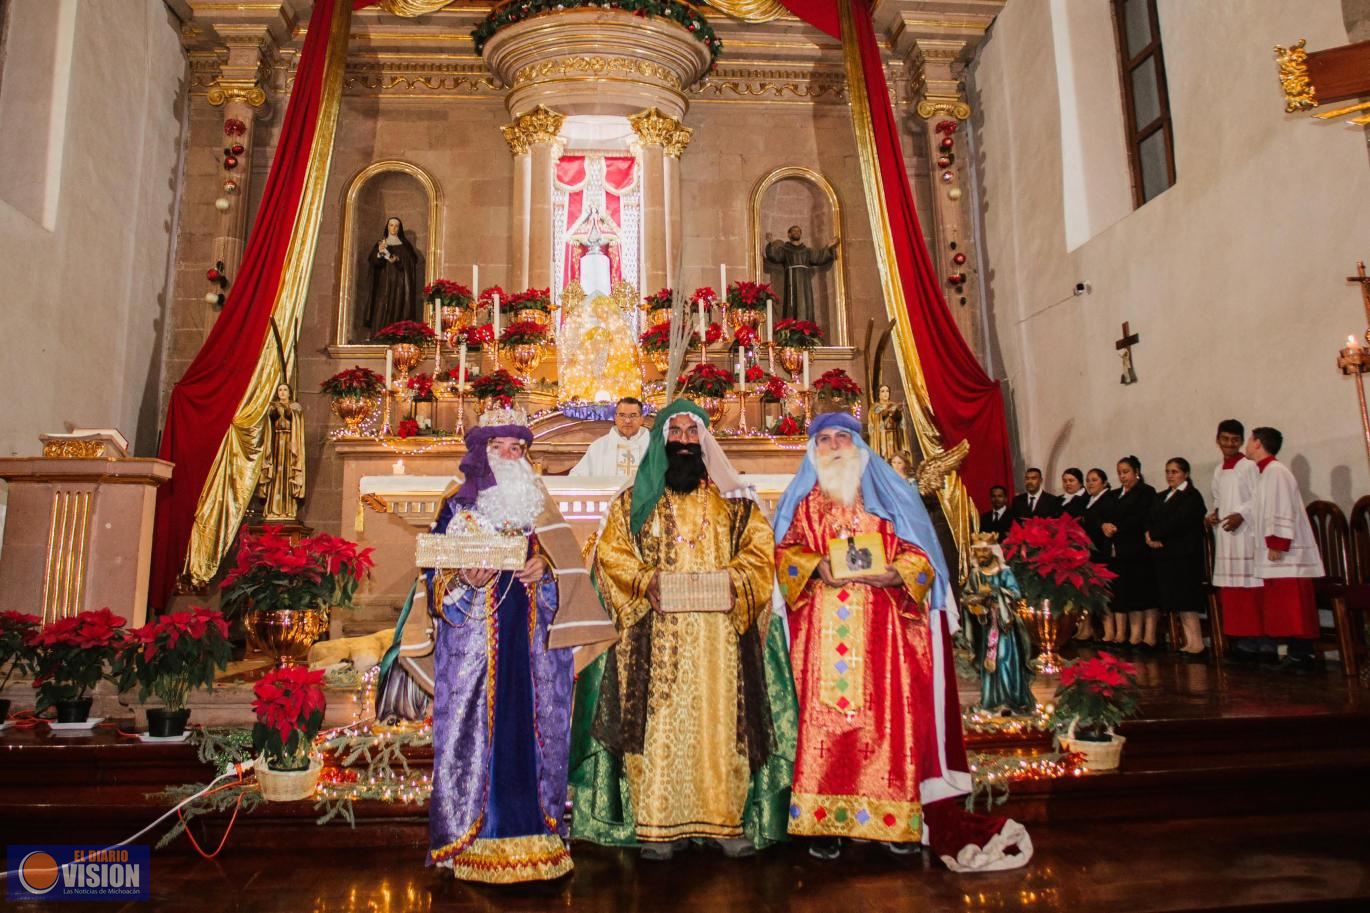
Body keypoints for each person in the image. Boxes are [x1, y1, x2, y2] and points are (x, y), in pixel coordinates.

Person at [774, 412, 1031, 871]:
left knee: (886, 726)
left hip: (883, 634)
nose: (833, 446)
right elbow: (784, 551)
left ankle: (895, 821)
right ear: (813, 450)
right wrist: (816, 566)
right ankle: (827, 825)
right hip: (820, 631)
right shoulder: (803, 503)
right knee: (823, 729)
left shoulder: (891, 496)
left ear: (857, 445)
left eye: (841, 438)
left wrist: (897, 572)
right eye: (824, 439)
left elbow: (923, 556)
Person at [374, 403, 617, 882]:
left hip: (529, 646)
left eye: (518, 448)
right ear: (483, 452)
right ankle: (470, 836)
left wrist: (542, 570)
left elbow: (561, 569)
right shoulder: (456, 503)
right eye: (500, 446)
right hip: (473, 646)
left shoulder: (537, 503)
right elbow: (434, 578)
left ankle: (536, 830)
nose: (509, 455)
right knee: (473, 733)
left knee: (527, 727)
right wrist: (464, 578)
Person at [569, 399, 796, 860]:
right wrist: (644, 581)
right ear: (663, 440)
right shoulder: (633, 503)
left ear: (706, 441)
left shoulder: (735, 504)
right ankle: (658, 825)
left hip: (720, 642)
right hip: (655, 640)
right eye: (678, 434)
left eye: (694, 435)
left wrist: (734, 584)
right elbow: (612, 554)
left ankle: (725, 823)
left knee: (721, 726)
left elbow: (758, 555)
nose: (686, 443)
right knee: (658, 729)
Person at [1248, 427, 1325, 673]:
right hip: (1279, 551)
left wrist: (1277, 542)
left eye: (1250, 440)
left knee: (1295, 606)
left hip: (1287, 553)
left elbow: (1281, 508)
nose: (1247, 445)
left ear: (1258, 443)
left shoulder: (1276, 473)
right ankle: (1296, 653)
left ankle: (1302, 655)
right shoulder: (1266, 473)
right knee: (1286, 607)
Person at [1206, 419, 1265, 663]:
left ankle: (1261, 645)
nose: (1230, 444)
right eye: (1225, 439)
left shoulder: (1249, 467)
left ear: (1241, 441)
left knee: (1252, 591)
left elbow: (1259, 498)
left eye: (1235, 440)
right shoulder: (1219, 470)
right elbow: (1220, 499)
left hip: (1247, 537)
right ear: (1217, 440)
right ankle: (1243, 643)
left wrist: (1243, 514)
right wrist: (1215, 514)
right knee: (1233, 593)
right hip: (1228, 538)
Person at [962, 533, 1035, 713]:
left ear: (993, 551)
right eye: (978, 551)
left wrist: (995, 592)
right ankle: (991, 701)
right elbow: (966, 596)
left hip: (1005, 625)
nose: (981, 555)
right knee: (989, 663)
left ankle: (1012, 699)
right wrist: (974, 601)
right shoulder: (976, 574)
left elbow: (1015, 594)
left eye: (985, 550)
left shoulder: (1004, 572)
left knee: (1004, 659)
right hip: (985, 625)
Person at [1145, 458, 1209, 658]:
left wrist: (1156, 535)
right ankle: (1188, 642)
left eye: (1174, 472)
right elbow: (1150, 517)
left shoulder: (1192, 496)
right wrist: (1149, 535)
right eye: (1168, 472)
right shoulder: (1161, 496)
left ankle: (1197, 644)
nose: (1170, 475)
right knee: (1176, 601)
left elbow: (1180, 522)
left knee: (1187, 600)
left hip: (1184, 555)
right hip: (1165, 554)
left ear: (1186, 474)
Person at [1101, 456, 1159, 650]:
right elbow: (1104, 514)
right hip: (1118, 551)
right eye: (1119, 472)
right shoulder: (1113, 495)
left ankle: (1148, 636)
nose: (1122, 476)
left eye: (1126, 472)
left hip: (1138, 550)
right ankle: (1132, 635)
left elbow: (1142, 517)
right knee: (1126, 594)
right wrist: (1105, 525)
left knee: (1143, 593)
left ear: (1136, 472)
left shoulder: (1146, 492)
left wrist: (1117, 527)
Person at [764, 225, 838, 322]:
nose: (796, 232)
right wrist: (770, 243)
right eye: (794, 231)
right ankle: (791, 329)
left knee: (805, 304)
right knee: (791, 305)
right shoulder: (785, 250)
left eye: (798, 231)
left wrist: (829, 246)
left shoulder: (807, 251)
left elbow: (819, 256)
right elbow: (774, 256)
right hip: (791, 282)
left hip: (804, 283)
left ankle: (807, 328)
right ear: (789, 234)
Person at [364, 216, 421, 337]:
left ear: (399, 228)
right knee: (381, 306)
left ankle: (397, 335)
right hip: (383, 283)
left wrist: (398, 260)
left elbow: (412, 262)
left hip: (400, 284)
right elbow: (374, 262)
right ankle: (379, 335)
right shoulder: (381, 244)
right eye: (391, 225)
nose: (393, 228)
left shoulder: (405, 245)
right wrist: (380, 253)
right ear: (387, 227)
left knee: (399, 306)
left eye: (396, 226)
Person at [257, 383, 305, 521]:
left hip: (290, 445)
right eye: (280, 390)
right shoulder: (272, 407)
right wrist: (275, 409)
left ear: (290, 393)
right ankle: (273, 508)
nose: (282, 393)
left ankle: (287, 509)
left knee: (287, 474)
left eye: (285, 390)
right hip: (276, 444)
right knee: (276, 474)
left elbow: (293, 416)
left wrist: (284, 408)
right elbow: (270, 419)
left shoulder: (295, 406)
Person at [568, 397, 650, 479]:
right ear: (615, 418)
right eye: (622, 415)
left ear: (641, 419)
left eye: (633, 415)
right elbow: (575, 478)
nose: (627, 420)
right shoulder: (598, 447)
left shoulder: (653, 446)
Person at [1080, 469, 1119, 643]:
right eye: (1088, 480)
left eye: (1094, 480)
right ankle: (1098, 630)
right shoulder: (1089, 501)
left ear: (1104, 482)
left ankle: (1110, 632)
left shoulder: (1108, 499)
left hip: (1103, 551)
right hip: (1090, 552)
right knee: (1094, 593)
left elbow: (1106, 524)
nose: (1090, 483)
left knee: (1105, 593)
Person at [868, 384, 910, 461]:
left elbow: (899, 420)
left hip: (894, 437)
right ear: (878, 394)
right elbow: (881, 414)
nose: (885, 393)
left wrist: (898, 411)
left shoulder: (893, 404)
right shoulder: (875, 407)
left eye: (887, 391)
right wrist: (890, 409)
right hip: (882, 438)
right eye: (882, 391)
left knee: (895, 458)